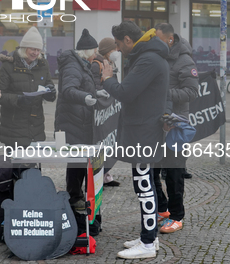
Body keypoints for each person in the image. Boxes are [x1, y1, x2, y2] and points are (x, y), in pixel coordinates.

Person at [101, 21, 169, 259]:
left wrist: (108, 78)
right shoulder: (148, 56)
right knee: (145, 184)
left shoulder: (147, 59)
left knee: (144, 186)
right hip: (144, 130)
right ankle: (148, 236)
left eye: (119, 44)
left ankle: (148, 244)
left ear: (128, 40)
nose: (118, 49)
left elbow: (125, 93)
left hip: (143, 132)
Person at [153, 22, 199, 234]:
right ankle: (163, 209)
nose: (156, 43)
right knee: (153, 170)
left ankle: (177, 216)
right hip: (158, 123)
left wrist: (165, 94)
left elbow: (191, 92)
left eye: (159, 39)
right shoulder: (160, 57)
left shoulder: (185, 60)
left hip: (177, 126)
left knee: (174, 173)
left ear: (170, 39)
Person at [55, 29, 108, 209]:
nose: (95, 55)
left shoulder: (81, 63)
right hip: (72, 121)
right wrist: (85, 98)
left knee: (81, 160)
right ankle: (74, 196)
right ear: (86, 51)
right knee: (76, 161)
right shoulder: (72, 65)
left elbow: (81, 86)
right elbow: (69, 89)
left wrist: (95, 93)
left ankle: (79, 195)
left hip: (80, 120)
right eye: (94, 51)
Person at [0, 26, 56, 148]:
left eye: (38, 50)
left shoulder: (43, 65)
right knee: (15, 166)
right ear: (24, 48)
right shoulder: (9, 66)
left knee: (32, 166)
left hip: (36, 128)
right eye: (33, 49)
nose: (36, 53)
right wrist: (18, 99)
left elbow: (50, 91)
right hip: (14, 129)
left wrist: (50, 92)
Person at [96, 37, 121, 187]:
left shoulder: (111, 63)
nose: (117, 52)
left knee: (112, 142)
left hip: (112, 109)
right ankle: (100, 176)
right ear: (107, 52)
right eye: (114, 49)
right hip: (103, 110)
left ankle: (106, 174)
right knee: (104, 142)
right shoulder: (98, 65)